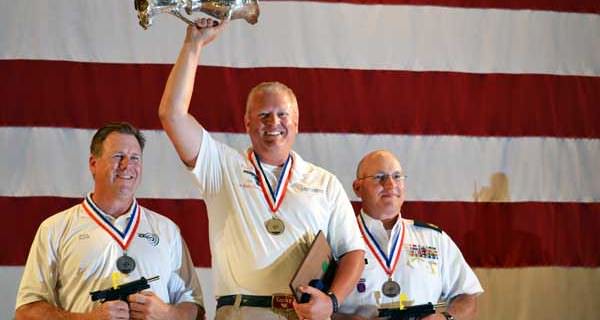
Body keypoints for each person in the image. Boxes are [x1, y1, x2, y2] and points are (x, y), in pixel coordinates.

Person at [158, 17, 365, 320]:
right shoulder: (221, 167)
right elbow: (172, 114)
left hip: (302, 314)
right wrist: (193, 45)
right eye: (264, 115)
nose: (273, 123)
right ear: (247, 123)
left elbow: (353, 253)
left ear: (296, 122)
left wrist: (332, 302)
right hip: (240, 313)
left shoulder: (324, 183)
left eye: (283, 114)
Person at [15, 122, 204, 320]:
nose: (126, 165)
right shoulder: (55, 228)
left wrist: (168, 314)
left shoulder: (167, 230)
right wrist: (85, 319)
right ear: (93, 164)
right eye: (118, 156)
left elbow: (196, 309)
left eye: (134, 158)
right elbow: (25, 312)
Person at [334, 150, 483, 320]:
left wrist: (445, 318)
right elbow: (310, 304)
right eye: (379, 177)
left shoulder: (434, 239)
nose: (390, 185)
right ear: (357, 188)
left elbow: (467, 297)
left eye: (397, 176)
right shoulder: (337, 239)